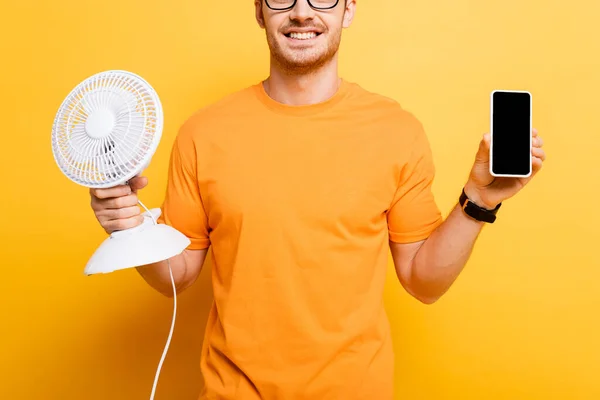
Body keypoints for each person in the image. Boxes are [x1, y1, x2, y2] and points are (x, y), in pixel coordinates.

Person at [89, 0, 546, 398]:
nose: (302, 12)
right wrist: (130, 231)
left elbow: (423, 282)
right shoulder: (203, 133)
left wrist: (479, 199)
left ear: (348, 9)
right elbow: (178, 274)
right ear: (259, 10)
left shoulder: (395, 131)